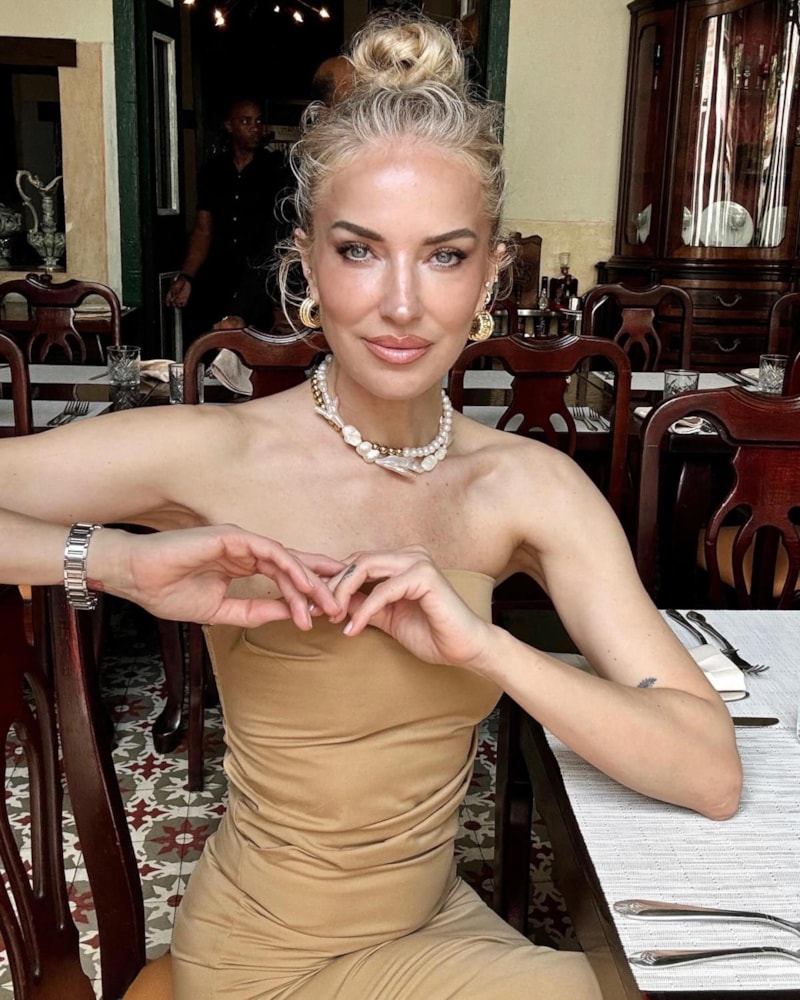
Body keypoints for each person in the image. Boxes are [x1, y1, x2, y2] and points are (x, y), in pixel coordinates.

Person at [0, 14, 742, 1000]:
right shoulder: (217, 451)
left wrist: (487, 650)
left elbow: (708, 773)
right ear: (305, 262)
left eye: (443, 256)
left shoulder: (526, 487)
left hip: (435, 917)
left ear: (490, 273)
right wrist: (116, 565)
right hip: (266, 960)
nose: (401, 303)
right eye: (359, 250)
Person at [166, 97, 286, 337]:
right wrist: (187, 276)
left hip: (260, 281)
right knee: (210, 342)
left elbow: (279, 236)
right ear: (229, 126)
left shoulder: (275, 170)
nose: (255, 128)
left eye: (258, 121)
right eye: (246, 121)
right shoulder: (212, 171)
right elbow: (203, 230)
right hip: (217, 277)